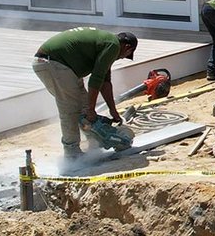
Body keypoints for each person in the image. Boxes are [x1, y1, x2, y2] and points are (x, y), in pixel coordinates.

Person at [31, 28, 137, 156]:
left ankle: (94, 144)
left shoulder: (107, 42)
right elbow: (95, 80)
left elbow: (105, 82)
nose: (121, 58)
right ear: (127, 47)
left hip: (62, 66)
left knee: (84, 108)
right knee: (71, 108)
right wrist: (92, 110)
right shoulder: (113, 46)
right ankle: (72, 153)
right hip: (52, 63)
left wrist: (112, 110)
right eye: (125, 56)